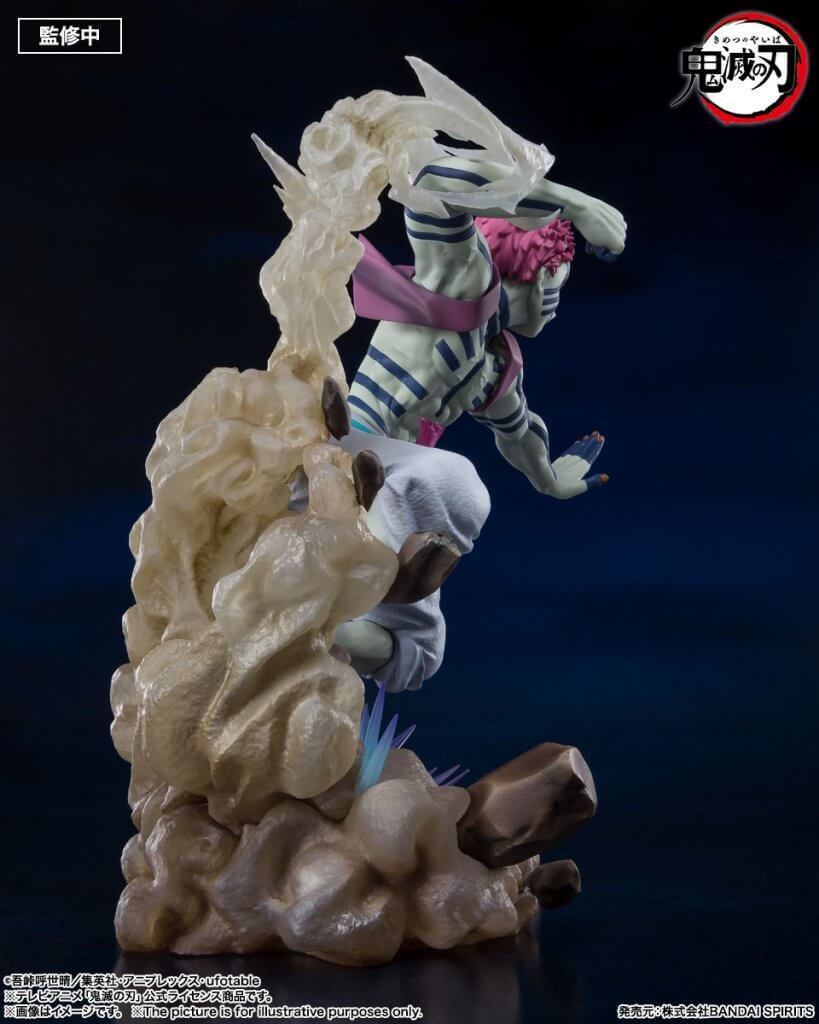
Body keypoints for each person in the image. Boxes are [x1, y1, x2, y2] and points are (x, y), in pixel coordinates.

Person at [333, 154, 626, 692]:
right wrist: (576, 205)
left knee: (422, 652)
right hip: (348, 450)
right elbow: (432, 180)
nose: (556, 301)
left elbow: (519, 431)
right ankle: (349, 585)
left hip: (394, 492)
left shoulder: (491, 365)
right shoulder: (462, 280)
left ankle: (316, 633)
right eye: (556, 279)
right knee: (458, 481)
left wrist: (550, 480)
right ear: (533, 269)